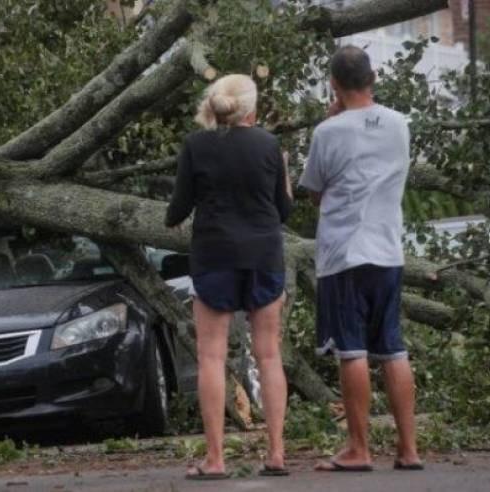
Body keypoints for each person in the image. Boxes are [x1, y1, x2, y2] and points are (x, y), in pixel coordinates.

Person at [299, 45, 423, 472]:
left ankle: (359, 448)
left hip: (345, 252)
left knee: (351, 351)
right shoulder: (399, 124)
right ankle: (408, 449)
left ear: (333, 84)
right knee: (393, 348)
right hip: (388, 250)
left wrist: (334, 118)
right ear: (372, 79)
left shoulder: (328, 132)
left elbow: (315, 192)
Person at [165, 74, 293, 480]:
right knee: (268, 354)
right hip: (263, 255)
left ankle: (216, 459)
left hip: (215, 255)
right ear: (251, 110)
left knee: (211, 357)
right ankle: (275, 453)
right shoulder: (270, 146)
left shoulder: (196, 145)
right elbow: (284, 211)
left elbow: (177, 210)